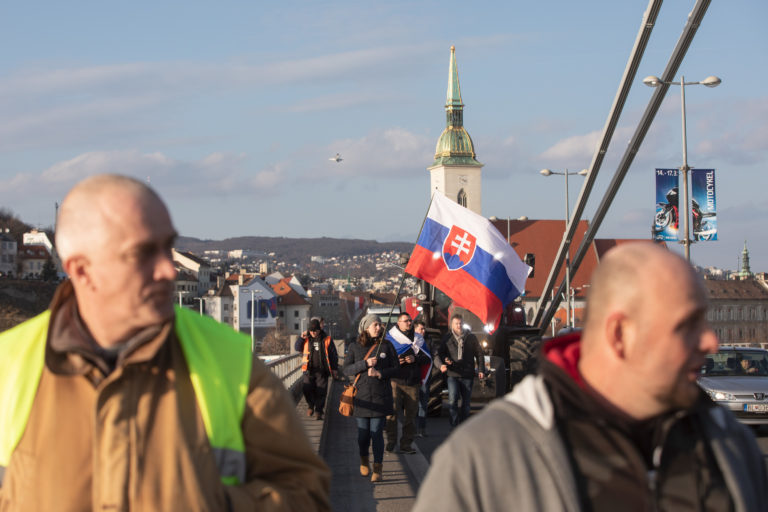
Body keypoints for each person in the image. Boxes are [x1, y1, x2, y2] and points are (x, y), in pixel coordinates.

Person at [0, 174, 330, 511]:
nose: (167, 270)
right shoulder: (8, 365)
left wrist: (214, 505)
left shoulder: (226, 358)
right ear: (81, 270)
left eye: (166, 247)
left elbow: (306, 493)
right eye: (142, 254)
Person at [414, 242, 767, 512]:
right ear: (619, 335)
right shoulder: (485, 460)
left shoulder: (727, 444)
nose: (711, 341)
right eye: (686, 325)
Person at [343, 314, 400, 482]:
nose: (379, 327)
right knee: (363, 436)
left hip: (381, 397)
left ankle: (378, 468)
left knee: (376, 434)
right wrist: (365, 364)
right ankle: (363, 460)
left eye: (380, 325)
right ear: (366, 327)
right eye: (375, 324)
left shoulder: (387, 346)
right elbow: (345, 370)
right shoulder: (354, 346)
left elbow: (396, 369)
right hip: (362, 397)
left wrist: (380, 373)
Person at [385, 313, 431, 454]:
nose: (409, 323)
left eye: (410, 321)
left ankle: (406, 444)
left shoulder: (418, 339)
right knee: (392, 413)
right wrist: (395, 361)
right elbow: (383, 358)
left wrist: (414, 358)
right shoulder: (390, 338)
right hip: (395, 381)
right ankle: (391, 441)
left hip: (412, 382)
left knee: (410, 416)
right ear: (398, 323)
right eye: (406, 321)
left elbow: (427, 358)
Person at [437, 313, 485, 426]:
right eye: (456, 324)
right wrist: (445, 359)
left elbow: (479, 354)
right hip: (453, 374)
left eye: (460, 323)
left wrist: (481, 369)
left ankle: (464, 425)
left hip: (467, 373)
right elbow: (440, 353)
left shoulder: (471, 337)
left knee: (466, 402)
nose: (459, 326)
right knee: (452, 400)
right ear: (451, 325)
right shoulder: (447, 338)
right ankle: (454, 424)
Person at [295, 318, 338, 421]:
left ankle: (318, 411)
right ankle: (310, 405)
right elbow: (297, 347)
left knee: (321, 391)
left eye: (315, 331)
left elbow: (333, 355)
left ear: (319, 329)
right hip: (308, 369)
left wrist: (334, 368)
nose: (313, 333)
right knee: (307, 389)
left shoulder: (327, 339)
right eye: (311, 331)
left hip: (322, 370)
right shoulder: (306, 338)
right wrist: (301, 338)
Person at [414, 319, 431, 437]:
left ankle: (421, 429)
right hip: (413, 377)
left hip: (425, 377)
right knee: (412, 405)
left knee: (423, 405)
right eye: (421, 329)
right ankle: (412, 429)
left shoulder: (428, 342)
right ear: (415, 330)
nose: (423, 331)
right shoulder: (410, 342)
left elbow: (432, 356)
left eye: (424, 329)